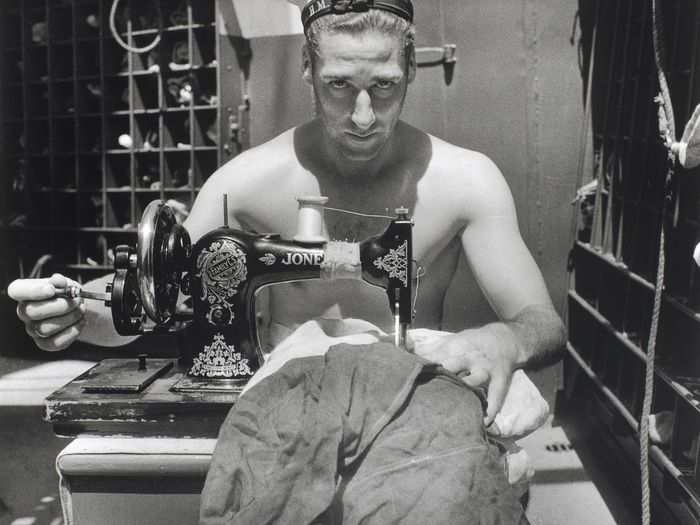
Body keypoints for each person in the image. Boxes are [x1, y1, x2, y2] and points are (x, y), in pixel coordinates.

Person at [8, 0, 564, 432]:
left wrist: (502, 342)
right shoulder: (245, 185)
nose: (364, 116)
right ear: (307, 68)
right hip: (281, 416)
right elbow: (156, 294)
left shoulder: (468, 180)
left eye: (385, 86)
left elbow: (542, 323)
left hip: (407, 411)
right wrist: (77, 311)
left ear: (411, 72)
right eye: (339, 85)